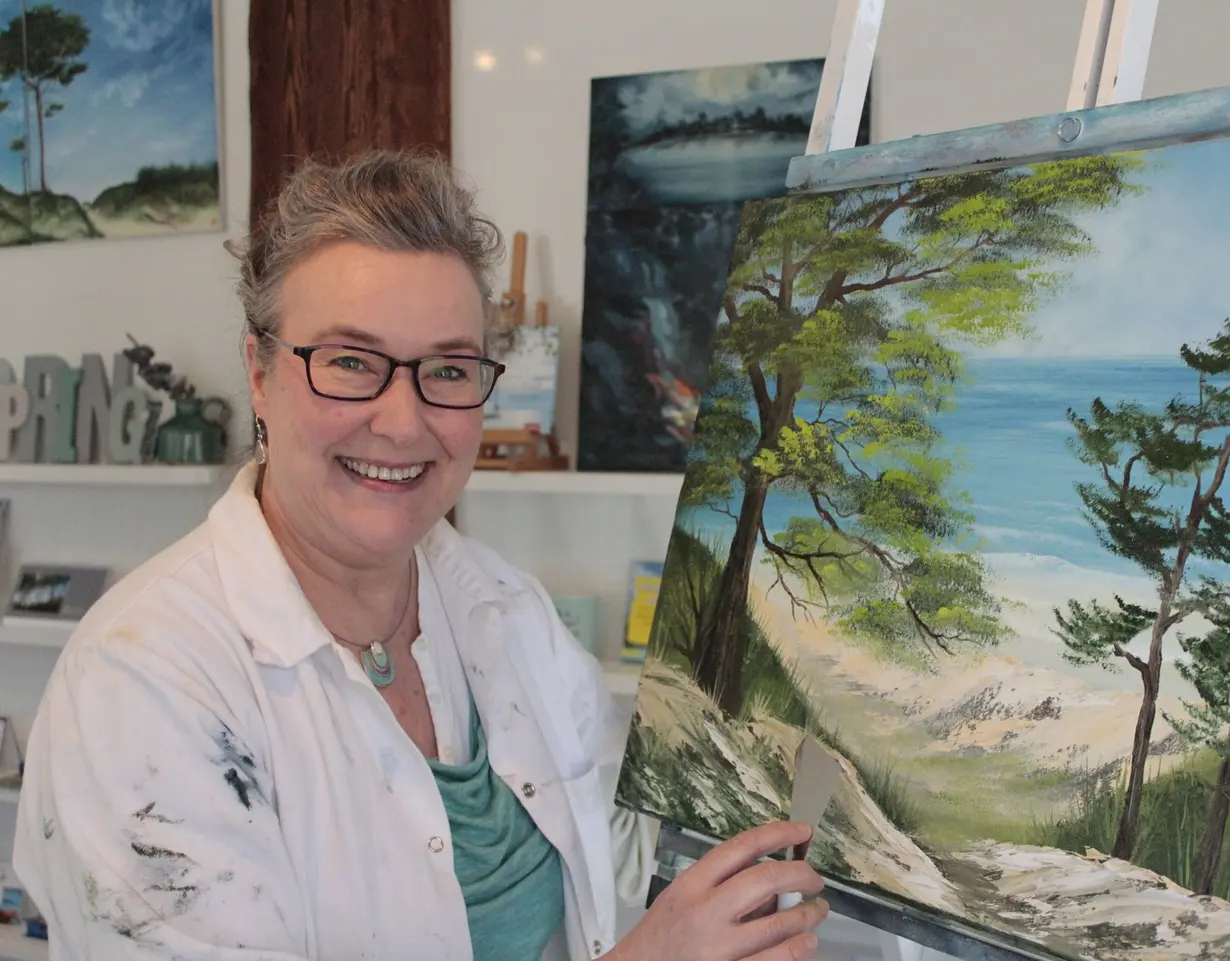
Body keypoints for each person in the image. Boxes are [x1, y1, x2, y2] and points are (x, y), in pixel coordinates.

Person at [11, 149, 830, 961]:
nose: (403, 422)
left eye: (447, 368)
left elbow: (622, 858)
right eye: (349, 362)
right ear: (259, 374)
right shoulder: (138, 685)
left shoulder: (509, 613)